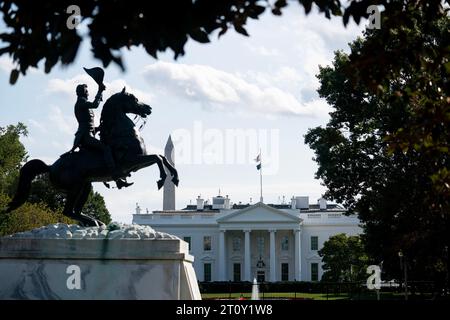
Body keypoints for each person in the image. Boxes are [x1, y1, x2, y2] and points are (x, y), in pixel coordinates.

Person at [71, 83, 133, 189]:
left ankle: (117, 180)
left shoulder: (83, 103)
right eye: (86, 91)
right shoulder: (81, 102)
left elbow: (88, 124)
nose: (88, 93)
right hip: (85, 136)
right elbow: (95, 105)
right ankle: (115, 175)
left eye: (87, 91)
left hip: (90, 134)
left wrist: (98, 128)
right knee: (106, 149)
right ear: (81, 92)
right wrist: (100, 91)